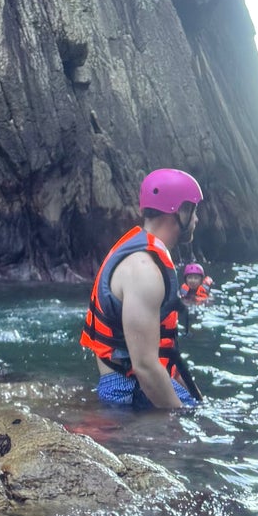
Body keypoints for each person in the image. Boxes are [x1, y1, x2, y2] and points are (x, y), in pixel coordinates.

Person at [81, 169, 206, 410]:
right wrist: (181, 420)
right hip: (124, 393)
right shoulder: (144, 270)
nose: (196, 220)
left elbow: (162, 354)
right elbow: (145, 367)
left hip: (136, 385)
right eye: (193, 211)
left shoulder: (144, 252)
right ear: (180, 211)